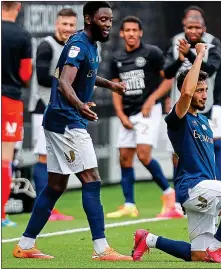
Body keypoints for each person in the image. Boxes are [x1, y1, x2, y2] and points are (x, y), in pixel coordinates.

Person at [13, 1, 132, 261]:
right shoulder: (78, 45)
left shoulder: (90, 45)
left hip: (60, 119)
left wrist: (110, 85)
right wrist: (79, 105)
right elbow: (64, 81)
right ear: (88, 19)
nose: (108, 24)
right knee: (92, 179)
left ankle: (24, 245)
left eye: (110, 20)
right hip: (67, 121)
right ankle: (102, 249)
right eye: (103, 19)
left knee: (56, 186)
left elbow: (83, 76)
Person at [131, 43, 221, 263]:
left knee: (198, 256)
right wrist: (200, 55)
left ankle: (148, 239)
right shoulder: (178, 118)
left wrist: (216, 200)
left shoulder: (204, 121)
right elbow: (185, 91)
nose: (204, 95)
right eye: (199, 90)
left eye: (206, 90)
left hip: (203, 187)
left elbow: (185, 160)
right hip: (193, 186)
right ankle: (216, 246)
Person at [106, 16, 182, 219]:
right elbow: (115, 89)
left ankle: (169, 197)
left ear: (140, 33)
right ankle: (129, 204)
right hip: (128, 113)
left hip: (148, 111)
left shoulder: (152, 53)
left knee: (143, 155)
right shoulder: (117, 57)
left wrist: (152, 100)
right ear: (121, 33)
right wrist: (120, 114)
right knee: (124, 158)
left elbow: (168, 79)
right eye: (127, 30)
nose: (131, 33)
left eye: (134, 30)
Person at [162, 7, 221, 218]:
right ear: (184, 26)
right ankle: (180, 199)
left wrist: (192, 53)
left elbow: (210, 70)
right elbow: (167, 72)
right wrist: (181, 59)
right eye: (189, 27)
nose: (193, 31)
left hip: (206, 106)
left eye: (197, 27)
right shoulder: (175, 41)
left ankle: (219, 190)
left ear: (204, 28)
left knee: (214, 146)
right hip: (182, 107)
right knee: (180, 152)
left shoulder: (213, 42)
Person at [28, 8, 78, 222]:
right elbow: (41, 78)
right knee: (43, 156)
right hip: (44, 107)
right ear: (57, 24)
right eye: (64, 24)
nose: (68, 29)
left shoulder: (72, 48)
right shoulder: (47, 45)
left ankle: (49, 209)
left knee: (55, 159)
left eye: (71, 25)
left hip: (59, 109)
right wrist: (69, 82)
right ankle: (44, 210)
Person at [1, 1, 33, 227]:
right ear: (18, 7)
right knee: (5, 158)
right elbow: (25, 74)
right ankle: (1, 215)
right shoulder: (22, 36)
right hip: (9, 99)